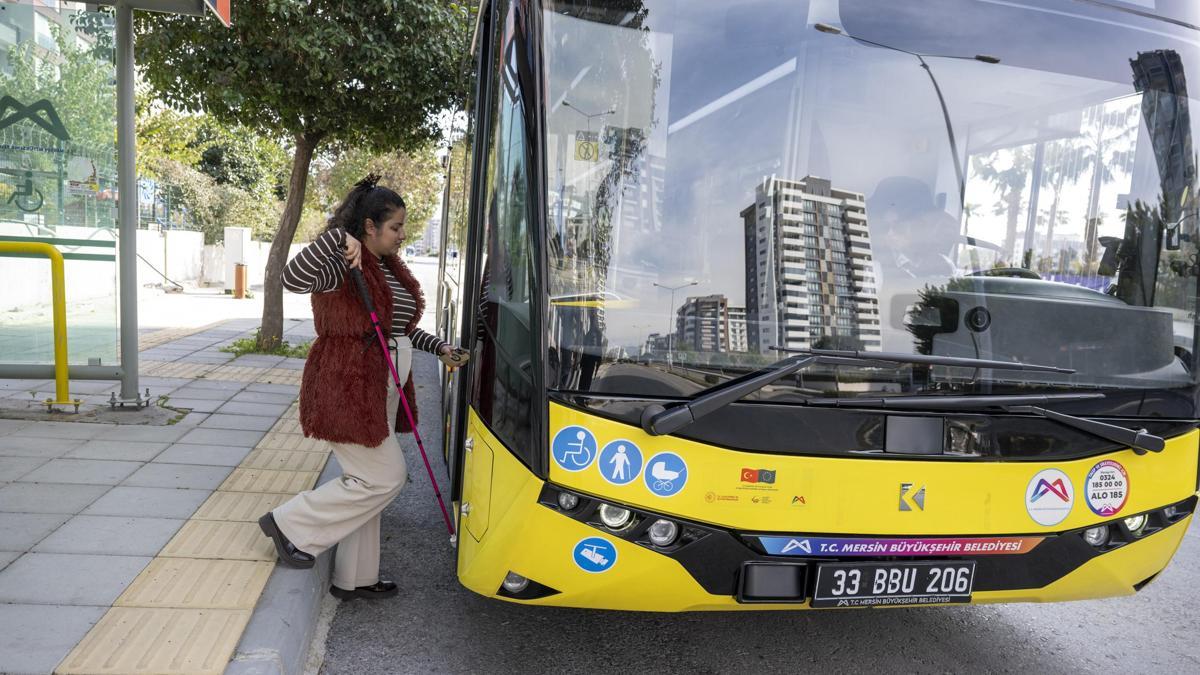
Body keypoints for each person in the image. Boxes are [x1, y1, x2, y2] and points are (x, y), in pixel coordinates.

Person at [258, 174, 466, 601]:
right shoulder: (343, 259)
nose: (403, 236)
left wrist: (438, 346)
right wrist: (336, 239)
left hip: (383, 386)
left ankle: (355, 578)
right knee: (384, 478)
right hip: (348, 383)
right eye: (396, 227)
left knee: (364, 479)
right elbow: (291, 279)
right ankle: (288, 524)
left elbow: (397, 329)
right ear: (369, 227)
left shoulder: (388, 266)